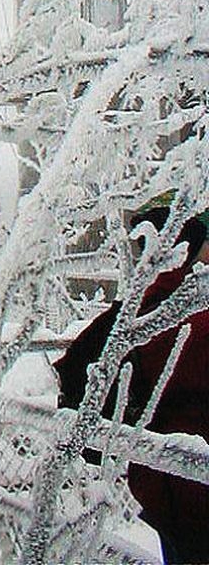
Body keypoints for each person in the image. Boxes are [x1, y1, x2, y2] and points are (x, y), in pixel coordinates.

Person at [54, 207, 209, 565]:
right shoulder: (188, 314)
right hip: (190, 481)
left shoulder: (140, 309)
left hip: (163, 482)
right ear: (186, 251)